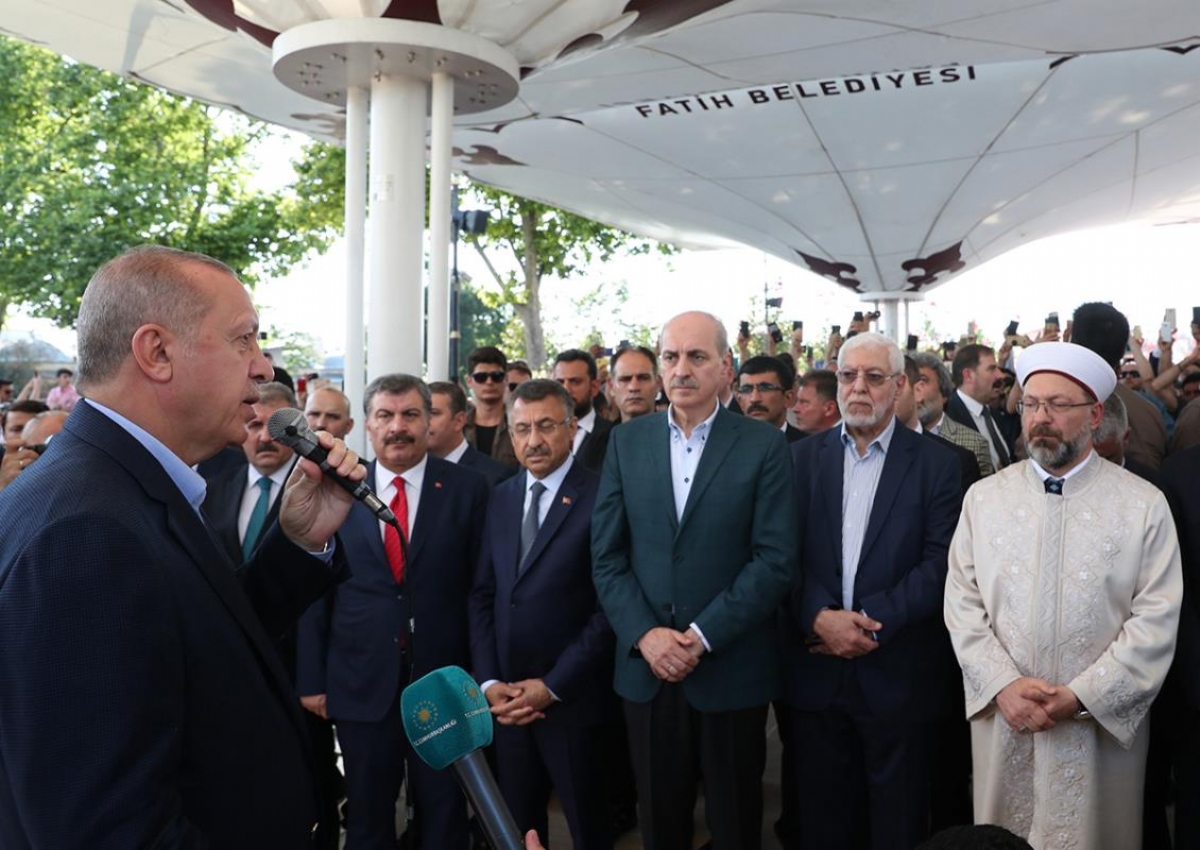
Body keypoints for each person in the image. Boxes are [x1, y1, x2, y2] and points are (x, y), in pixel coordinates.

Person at [0, 244, 361, 849]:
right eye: (243, 339)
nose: (263, 368)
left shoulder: (115, 486)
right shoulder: (86, 532)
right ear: (157, 353)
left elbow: (190, 650)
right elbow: (107, 829)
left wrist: (295, 544)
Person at [944, 341, 1182, 850]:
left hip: (1094, 731)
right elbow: (962, 605)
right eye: (1031, 404)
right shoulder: (984, 500)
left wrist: (1080, 696)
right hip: (1005, 719)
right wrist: (1003, 685)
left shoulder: (1142, 505)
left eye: (1058, 405)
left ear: (1095, 415)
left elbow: (1156, 618)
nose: (1041, 418)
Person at [592, 310, 797, 850]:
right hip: (647, 671)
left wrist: (700, 637)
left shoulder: (763, 446)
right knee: (660, 825)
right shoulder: (626, 443)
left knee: (734, 825)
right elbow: (607, 557)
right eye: (671, 356)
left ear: (725, 367)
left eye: (697, 356)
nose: (681, 369)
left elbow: (775, 560)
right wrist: (647, 635)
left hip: (731, 669)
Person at [785, 332, 962, 850]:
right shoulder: (799, 460)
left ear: (900, 385)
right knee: (823, 823)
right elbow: (780, 555)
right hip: (817, 673)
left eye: (874, 377)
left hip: (898, 674)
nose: (858, 388)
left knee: (898, 823)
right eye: (847, 376)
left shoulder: (937, 465)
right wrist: (818, 616)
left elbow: (941, 563)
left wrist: (866, 622)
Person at [298, 373, 489, 850]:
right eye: (385, 415)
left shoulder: (469, 489)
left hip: (443, 684)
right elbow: (316, 588)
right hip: (360, 683)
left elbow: (480, 590)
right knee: (366, 818)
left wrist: (483, 679)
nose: (397, 427)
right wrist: (312, 679)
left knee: (444, 815)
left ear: (430, 422)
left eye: (410, 415)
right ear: (367, 424)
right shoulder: (337, 486)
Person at [469, 379, 614, 850]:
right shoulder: (502, 496)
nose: (534, 440)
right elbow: (485, 596)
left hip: (573, 701)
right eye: (523, 429)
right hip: (508, 705)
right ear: (510, 435)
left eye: (547, 426)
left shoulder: (604, 497)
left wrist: (551, 687)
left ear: (572, 428)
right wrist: (490, 684)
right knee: (516, 831)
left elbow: (607, 609)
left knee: (589, 827)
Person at [429, 379, 512, 486]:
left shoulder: (494, 477)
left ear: (459, 421)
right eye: (418, 414)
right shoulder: (411, 471)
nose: (424, 421)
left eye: (434, 413)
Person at [946, 344, 1013, 470]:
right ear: (968, 375)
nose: (1000, 375)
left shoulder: (994, 414)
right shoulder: (948, 420)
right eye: (992, 369)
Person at [553, 349, 613, 473]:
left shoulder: (613, 437)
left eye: (575, 382)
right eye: (560, 382)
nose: (566, 389)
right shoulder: (539, 434)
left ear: (594, 387)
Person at [465, 345, 519, 468]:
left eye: (496, 376)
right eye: (481, 377)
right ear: (469, 381)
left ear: (506, 380)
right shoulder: (458, 427)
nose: (489, 382)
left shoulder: (519, 425)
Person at [737, 355, 802, 442]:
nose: (754, 399)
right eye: (747, 389)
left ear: (788, 398)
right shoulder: (724, 444)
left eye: (765, 388)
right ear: (740, 400)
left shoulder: (809, 449)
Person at [609, 345, 660, 423]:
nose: (634, 387)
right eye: (625, 379)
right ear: (611, 386)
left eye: (643, 378)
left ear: (658, 384)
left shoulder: (679, 434)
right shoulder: (603, 435)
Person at [791, 369, 841, 436]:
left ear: (829, 408)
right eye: (797, 401)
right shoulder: (798, 441)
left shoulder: (853, 441)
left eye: (804, 403)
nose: (795, 409)